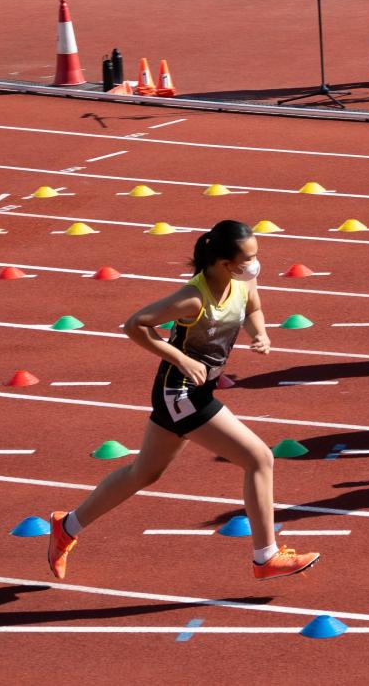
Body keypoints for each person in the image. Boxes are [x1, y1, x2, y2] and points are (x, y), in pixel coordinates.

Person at [46, 221, 320, 582]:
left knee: (144, 472)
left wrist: (260, 334)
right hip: (180, 393)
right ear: (224, 263)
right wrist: (181, 358)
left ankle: (66, 526)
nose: (255, 264)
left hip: (195, 391)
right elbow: (135, 324)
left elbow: (253, 309)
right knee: (259, 458)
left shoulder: (243, 281)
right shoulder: (194, 298)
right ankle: (265, 557)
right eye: (248, 258)